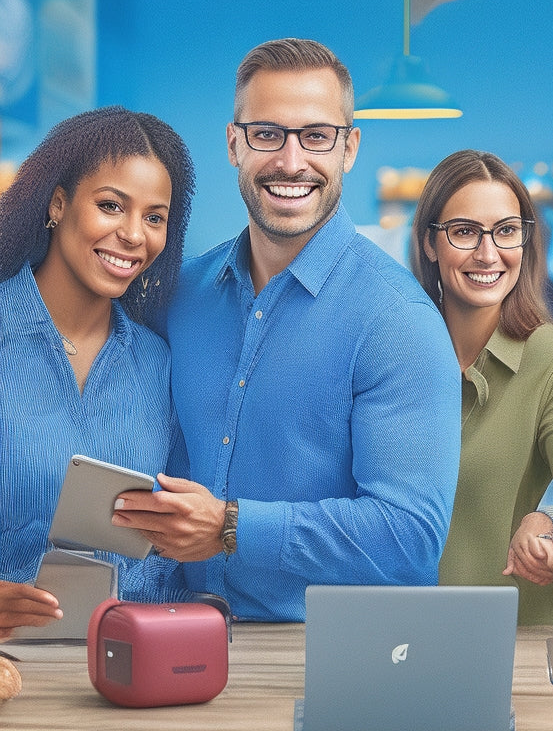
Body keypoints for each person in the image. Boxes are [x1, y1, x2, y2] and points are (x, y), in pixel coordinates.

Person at [111, 38, 461, 621]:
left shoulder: (398, 320)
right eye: (267, 134)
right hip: (170, 629)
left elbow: (411, 538)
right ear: (233, 145)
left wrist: (233, 527)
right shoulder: (177, 297)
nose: (291, 161)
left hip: (325, 657)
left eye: (316, 136)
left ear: (349, 148)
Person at [0, 106, 195, 639]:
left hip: (137, 661)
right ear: (57, 204)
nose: (134, 235)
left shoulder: (157, 363)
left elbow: (167, 546)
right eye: (111, 206)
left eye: (155, 217)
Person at [410, 149, 553, 627]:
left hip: (520, 641)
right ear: (429, 243)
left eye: (506, 231)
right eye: (465, 232)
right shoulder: (389, 354)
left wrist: (550, 525)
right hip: (398, 637)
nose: (489, 253)